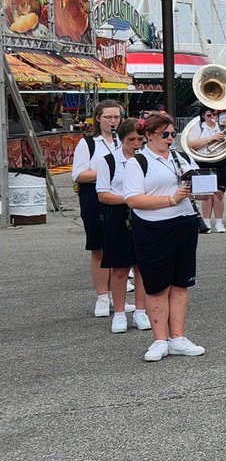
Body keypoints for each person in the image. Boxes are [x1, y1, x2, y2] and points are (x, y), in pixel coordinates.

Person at [121, 113, 205, 362]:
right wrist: (171, 199)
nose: (170, 139)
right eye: (165, 135)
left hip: (184, 223)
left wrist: (202, 189)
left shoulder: (182, 158)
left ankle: (177, 337)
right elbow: (133, 199)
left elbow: (199, 186)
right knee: (157, 285)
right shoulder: (138, 163)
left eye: (172, 135)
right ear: (148, 136)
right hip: (153, 228)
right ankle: (159, 340)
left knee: (181, 283)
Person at [95, 118, 149, 334]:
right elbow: (103, 194)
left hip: (144, 215)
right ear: (121, 139)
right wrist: (130, 198)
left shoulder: (146, 159)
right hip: (118, 216)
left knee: (142, 267)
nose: (136, 144)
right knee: (119, 269)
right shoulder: (109, 161)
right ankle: (118, 312)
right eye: (131, 139)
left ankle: (140, 310)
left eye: (139, 139)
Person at [72, 99, 124, 317]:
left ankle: (117, 297)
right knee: (98, 249)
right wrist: (106, 170)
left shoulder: (123, 141)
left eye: (116, 117)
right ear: (99, 119)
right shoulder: (88, 143)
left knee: (118, 249)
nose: (113, 121)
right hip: (94, 197)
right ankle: (102, 297)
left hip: (119, 196)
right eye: (108, 117)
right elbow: (79, 174)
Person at [187, 106, 226, 233]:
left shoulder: (222, 127)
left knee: (219, 194)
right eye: (209, 115)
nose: (213, 117)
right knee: (206, 194)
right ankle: (206, 223)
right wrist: (210, 139)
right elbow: (190, 144)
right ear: (203, 116)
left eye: (214, 114)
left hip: (222, 162)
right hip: (203, 162)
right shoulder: (197, 127)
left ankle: (219, 223)